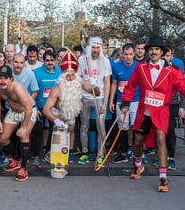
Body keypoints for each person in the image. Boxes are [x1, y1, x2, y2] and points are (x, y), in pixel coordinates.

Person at [121, 35, 185, 192]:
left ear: (162, 52)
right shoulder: (140, 68)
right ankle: (138, 164)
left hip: (161, 111)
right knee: (138, 141)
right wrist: (125, 103)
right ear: (148, 51)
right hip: (144, 110)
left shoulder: (172, 71)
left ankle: (163, 178)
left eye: (156, 49)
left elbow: (183, 86)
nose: (153, 52)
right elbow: (130, 86)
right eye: (151, 49)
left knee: (161, 138)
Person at [43, 49, 99, 162]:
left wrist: (94, 84)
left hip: (71, 112)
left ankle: (71, 151)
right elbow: (46, 110)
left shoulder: (79, 81)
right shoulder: (57, 88)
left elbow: (96, 93)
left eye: (72, 75)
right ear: (63, 75)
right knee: (59, 133)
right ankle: (54, 153)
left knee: (71, 130)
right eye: (67, 76)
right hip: (58, 114)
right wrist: (56, 120)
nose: (70, 78)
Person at [0, 65, 37, 181]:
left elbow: (28, 107)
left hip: (28, 110)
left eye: (5, 78)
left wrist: (23, 127)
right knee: (3, 139)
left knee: (24, 135)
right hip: (13, 111)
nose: (2, 81)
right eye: (0, 77)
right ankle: (17, 159)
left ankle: (24, 168)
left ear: (11, 79)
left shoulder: (17, 88)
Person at [77, 37, 111, 166]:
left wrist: (105, 103)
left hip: (99, 97)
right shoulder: (82, 60)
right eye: (93, 47)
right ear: (89, 47)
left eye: (97, 47)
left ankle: (100, 154)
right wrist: (79, 99)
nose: (95, 50)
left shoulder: (105, 61)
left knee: (100, 126)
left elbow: (107, 82)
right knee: (84, 126)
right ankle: (85, 152)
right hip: (85, 97)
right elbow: (78, 79)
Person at [109, 43, 140, 163]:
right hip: (120, 101)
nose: (128, 57)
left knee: (135, 127)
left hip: (135, 101)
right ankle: (123, 152)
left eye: (130, 54)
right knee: (122, 126)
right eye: (126, 54)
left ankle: (136, 152)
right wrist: (111, 101)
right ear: (122, 54)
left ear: (134, 54)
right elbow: (114, 83)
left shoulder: (139, 66)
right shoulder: (116, 66)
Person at [33, 50, 62, 161]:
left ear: (55, 60)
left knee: (54, 128)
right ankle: (37, 154)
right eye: (47, 60)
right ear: (43, 61)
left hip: (54, 106)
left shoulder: (59, 72)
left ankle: (49, 151)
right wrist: (34, 107)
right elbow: (32, 91)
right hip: (40, 105)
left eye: (51, 60)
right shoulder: (36, 72)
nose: (49, 62)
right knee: (38, 128)